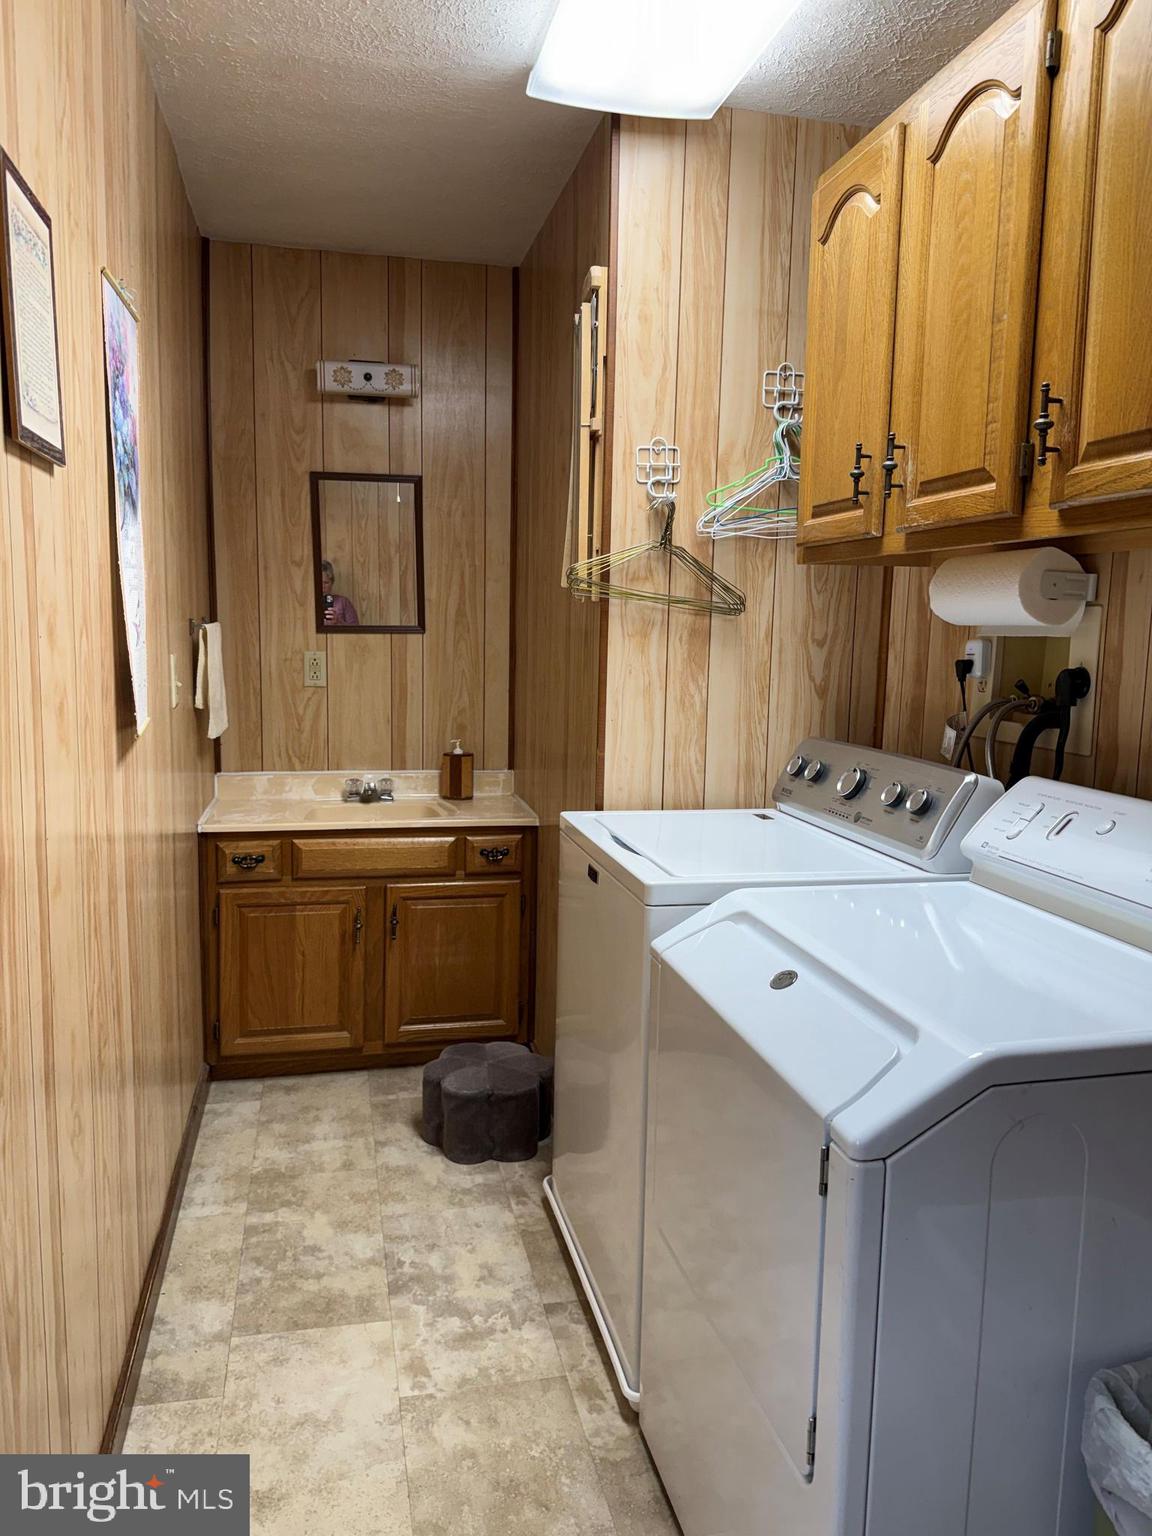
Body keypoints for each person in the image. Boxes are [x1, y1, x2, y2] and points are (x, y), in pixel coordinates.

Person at [320, 560, 359, 625]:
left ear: (332, 582)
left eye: (326, 583)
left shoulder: (343, 602)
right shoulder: (308, 605)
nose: (322, 586)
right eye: (319, 583)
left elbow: (356, 631)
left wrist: (338, 622)